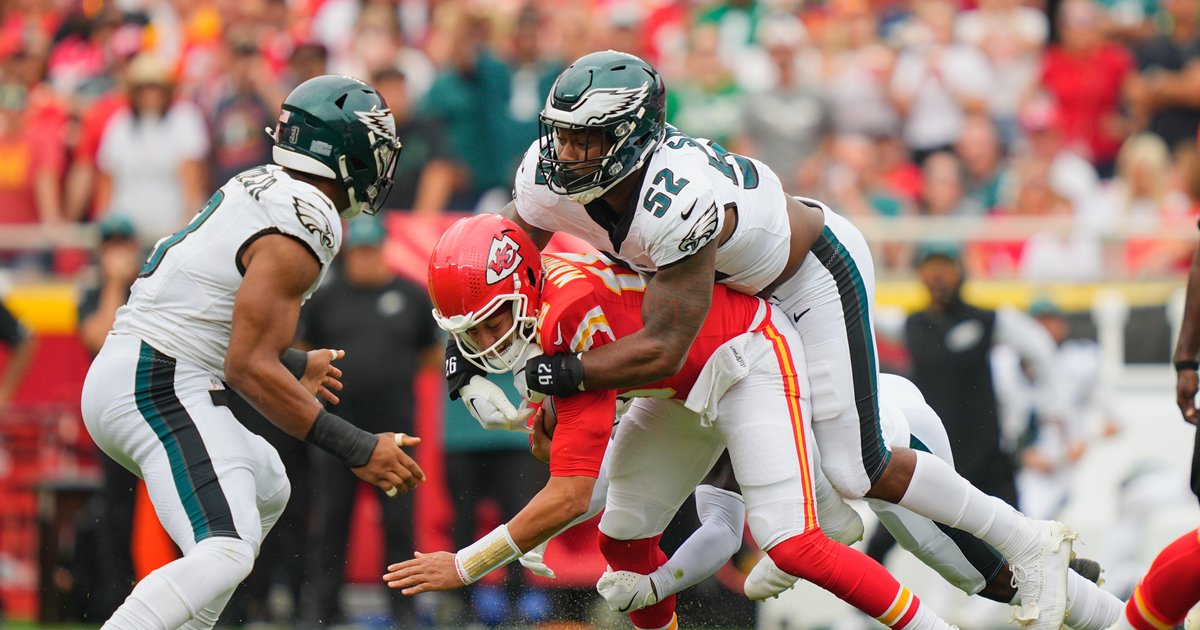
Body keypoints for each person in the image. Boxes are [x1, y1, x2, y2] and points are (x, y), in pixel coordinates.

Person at [484, 50, 1074, 628]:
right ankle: (823, 519)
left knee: (859, 464)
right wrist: (465, 362)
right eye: (561, 135)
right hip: (738, 300)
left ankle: (1026, 540)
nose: (564, 153)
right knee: (781, 452)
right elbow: (491, 259)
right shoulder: (552, 178)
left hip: (807, 276)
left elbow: (665, 347)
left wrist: (558, 374)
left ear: (632, 137)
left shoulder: (676, 199)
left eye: (585, 139)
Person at [389, 214, 961, 630]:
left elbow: (572, 494)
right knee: (624, 539)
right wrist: (476, 378)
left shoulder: (569, 315)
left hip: (744, 362)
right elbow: (567, 461)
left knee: (795, 544)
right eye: (470, 333)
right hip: (677, 392)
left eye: (492, 324)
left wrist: (467, 563)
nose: (486, 344)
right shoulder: (538, 299)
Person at [79, 74, 423, 630]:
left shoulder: (261, 184)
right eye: (375, 149)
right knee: (226, 548)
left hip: (143, 369)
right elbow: (246, 367)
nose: (381, 164)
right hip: (157, 381)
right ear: (345, 152)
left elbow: (215, 324)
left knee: (268, 484)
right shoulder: (307, 218)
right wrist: (358, 447)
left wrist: (293, 363)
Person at [604, 373, 1123, 630]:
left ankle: (1116, 617)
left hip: (884, 436)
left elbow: (831, 517)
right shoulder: (706, 418)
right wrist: (657, 584)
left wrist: (788, 557)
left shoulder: (728, 408)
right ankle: (1069, 573)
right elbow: (720, 527)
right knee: (974, 556)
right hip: (877, 411)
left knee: (985, 577)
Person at [295, 215, 441, 627]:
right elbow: (302, 354)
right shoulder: (326, 298)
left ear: (382, 249)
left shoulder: (410, 295)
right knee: (331, 521)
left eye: (370, 250)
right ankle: (322, 607)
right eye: (357, 252)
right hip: (335, 432)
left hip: (396, 433)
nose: (364, 259)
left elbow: (430, 355)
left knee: (398, 523)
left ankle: (403, 607)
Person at [75, 214, 141, 619]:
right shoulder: (94, 292)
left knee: (178, 510)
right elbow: (100, 338)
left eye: (122, 244)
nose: (116, 252)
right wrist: (115, 283)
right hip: (116, 420)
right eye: (109, 245)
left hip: (160, 407)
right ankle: (117, 604)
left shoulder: (152, 287)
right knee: (117, 512)